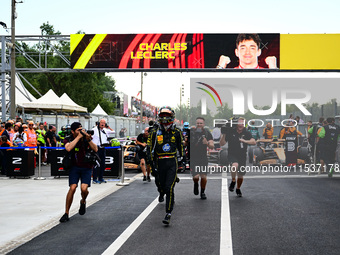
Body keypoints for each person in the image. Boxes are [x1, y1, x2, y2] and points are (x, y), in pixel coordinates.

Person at [147, 106, 183, 225]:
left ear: (172, 117)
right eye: (162, 116)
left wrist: (183, 160)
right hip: (159, 162)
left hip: (172, 162)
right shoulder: (154, 132)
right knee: (160, 185)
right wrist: (151, 163)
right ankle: (161, 192)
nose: (165, 118)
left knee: (169, 187)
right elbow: (149, 148)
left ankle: (168, 213)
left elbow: (180, 147)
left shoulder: (177, 132)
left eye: (167, 116)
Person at [59, 122, 98, 223]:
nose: (80, 131)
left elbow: (95, 149)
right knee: (72, 188)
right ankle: (66, 213)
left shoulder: (86, 138)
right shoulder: (68, 138)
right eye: (78, 130)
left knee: (84, 189)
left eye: (81, 129)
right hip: (74, 167)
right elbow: (68, 148)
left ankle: (83, 201)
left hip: (86, 166)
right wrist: (77, 138)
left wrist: (88, 139)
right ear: (73, 131)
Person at [220, 118, 256, 197]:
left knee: (240, 174)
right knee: (235, 165)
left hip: (242, 155)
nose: (241, 125)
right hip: (232, 154)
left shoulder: (246, 132)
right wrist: (224, 134)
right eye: (239, 123)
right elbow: (222, 144)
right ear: (236, 124)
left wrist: (245, 141)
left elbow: (253, 142)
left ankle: (238, 188)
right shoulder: (231, 131)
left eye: (242, 124)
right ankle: (233, 180)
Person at [189, 117, 214, 199]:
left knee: (203, 177)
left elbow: (212, 146)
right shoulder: (191, 132)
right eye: (198, 123)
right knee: (196, 177)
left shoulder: (207, 133)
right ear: (196, 123)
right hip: (193, 157)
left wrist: (207, 143)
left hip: (203, 157)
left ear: (204, 124)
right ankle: (196, 184)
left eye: (201, 123)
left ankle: (202, 192)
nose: (199, 125)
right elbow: (185, 142)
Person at [91, 119, 115, 184]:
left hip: (103, 147)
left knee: (102, 164)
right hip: (97, 148)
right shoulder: (94, 130)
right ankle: (95, 178)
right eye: (101, 123)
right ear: (98, 123)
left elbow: (113, 132)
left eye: (104, 123)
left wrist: (108, 127)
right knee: (96, 164)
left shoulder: (105, 130)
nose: (102, 124)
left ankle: (101, 177)